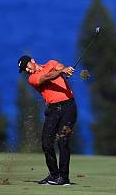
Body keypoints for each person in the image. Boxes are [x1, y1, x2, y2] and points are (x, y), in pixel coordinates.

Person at [18, 54, 77, 186]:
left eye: (26, 67)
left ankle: (63, 177)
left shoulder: (51, 63)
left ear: (32, 61)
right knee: (46, 143)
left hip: (69, 107)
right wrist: (61, 71)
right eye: (24, 70)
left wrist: (65, 70)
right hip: (53, 110)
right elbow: (46, 77)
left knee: (63, 142)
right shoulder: (32, 78)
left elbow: (59, 66)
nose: (27, 71)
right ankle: (54, 175)